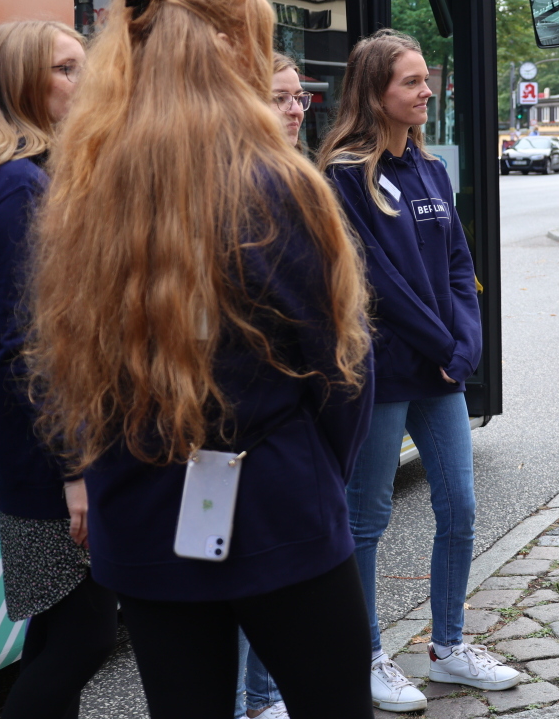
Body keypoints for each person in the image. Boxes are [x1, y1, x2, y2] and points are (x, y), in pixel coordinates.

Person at [29, 0, 376, 719]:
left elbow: (64, 366)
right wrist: (319, 477)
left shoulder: (83, 189)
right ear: (232, 46)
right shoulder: (277, 184)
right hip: (278, 503)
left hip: (143, 511)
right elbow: (340, 373)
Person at [319, 29, 518, 713]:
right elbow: (377, 285)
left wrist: (468, 341)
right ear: (376, 93)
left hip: (441, 372)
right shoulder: (346, 175)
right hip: (382, 378)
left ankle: (449, 646)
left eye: (426, 79)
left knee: (459, 507)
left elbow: (460, 266)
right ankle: (366, 654)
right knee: (366, 519)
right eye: (411, 82)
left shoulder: (431, 171)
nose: (426, 91)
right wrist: (446, 343)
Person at [0, 20, 118, 719]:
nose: (85, 82)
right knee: (84, 637)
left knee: (55, 632)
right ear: (21, 82)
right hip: (49, 458)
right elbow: (29, 345)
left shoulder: (0, 181)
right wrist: (75, 468)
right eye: (66, 69)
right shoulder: (17, 188)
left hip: (28, 450)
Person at [228, 50, 315, 719]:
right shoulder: (255, 193)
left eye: (298, 98)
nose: (293, 109)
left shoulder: (295, 180)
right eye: (280, 97)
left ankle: (260, 701)